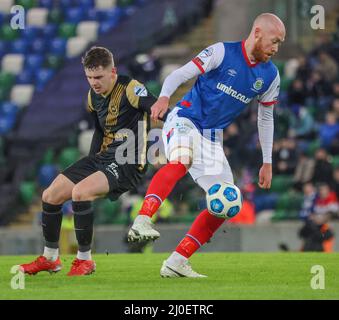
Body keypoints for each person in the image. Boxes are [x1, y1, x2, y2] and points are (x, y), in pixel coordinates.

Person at [128, 13, 286, 277]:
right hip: (185, 119)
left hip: (212, 138)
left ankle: (177, 262)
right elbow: (180, 73)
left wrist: (267, 161)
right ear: (257, 32)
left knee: (226, 203)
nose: (276, 48)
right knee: (182, 159)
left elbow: (266, 116)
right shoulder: (222, 52)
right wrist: (164, 98)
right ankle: (143, 219)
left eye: (280, 43)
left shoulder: (270, 76)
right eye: (274, 41)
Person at [20, 46, 163, 276]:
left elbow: (156, 107)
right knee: (50, 195)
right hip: (102, 158)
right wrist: (92, 158)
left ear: (113, 71)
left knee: (80, 193)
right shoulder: (92, 96)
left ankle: (85, 261)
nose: (94, 82)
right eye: (89, 77)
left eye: (99, 77)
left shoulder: (131, 88)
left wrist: (175, 124)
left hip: (128, 161)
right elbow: (100, 128)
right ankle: (50, 258)